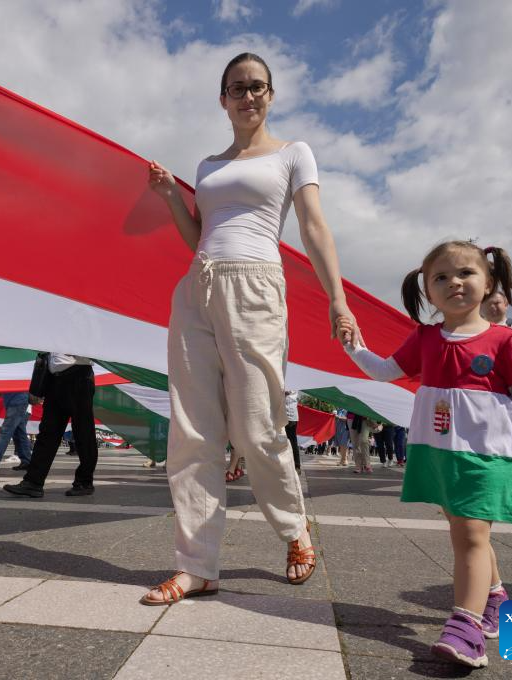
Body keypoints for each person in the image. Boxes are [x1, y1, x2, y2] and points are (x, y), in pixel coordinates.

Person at [141, 52, 359, 604]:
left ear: (271, 94)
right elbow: (199, 236)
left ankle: (293, 528)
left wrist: (338, 300)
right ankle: (197, 566)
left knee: (259, 427)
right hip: (198, 286)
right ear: (223, 99)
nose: (248, 96)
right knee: (192, 431)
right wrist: (171, 197)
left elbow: (313, 226)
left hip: (256, 287)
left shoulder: (293, 153)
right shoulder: (208, 165)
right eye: (237, 88)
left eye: (257, 86)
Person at [339, 240, 512, 669]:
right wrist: (353, 345)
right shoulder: (425, 337)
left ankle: (466, 628)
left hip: (489, 454)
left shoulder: (507, 339)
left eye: (465, 273)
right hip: (439, 452)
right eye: (441, 277)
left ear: (488, 282)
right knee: (465, 529)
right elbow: (384, 370)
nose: (454, 282)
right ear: (427, 290)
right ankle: (495, 597)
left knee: (470, 535)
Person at [3, 352, 98, 498]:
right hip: (54, 379)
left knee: (83, 432)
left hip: (79, 375)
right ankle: (33, 482)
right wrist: (37, 386)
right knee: (47, 433)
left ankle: (84, 482)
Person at [284, 390, 301, 472]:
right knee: (286, 441)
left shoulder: (291, 384)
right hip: (286, 414)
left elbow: (286, 392)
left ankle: (296, 466)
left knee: (292, 441)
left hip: (289, 416)